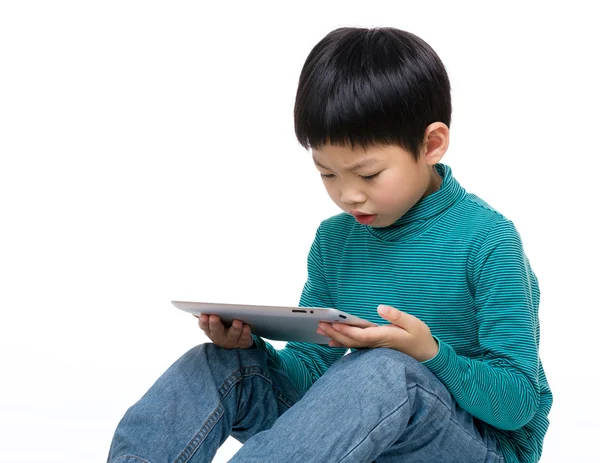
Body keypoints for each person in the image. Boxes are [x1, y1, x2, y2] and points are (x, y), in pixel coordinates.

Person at [107, 26, 552, 463]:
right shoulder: (334, 240)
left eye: (369, 174)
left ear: (431, 144)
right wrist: (250, 351)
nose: (348, 195)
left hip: (478, 444)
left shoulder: (488, 240)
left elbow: (516, 406)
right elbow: (312, 380)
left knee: (385, 368)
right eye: (328, 174)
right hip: (361, 429)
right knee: (219, 364)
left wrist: (428, 353)